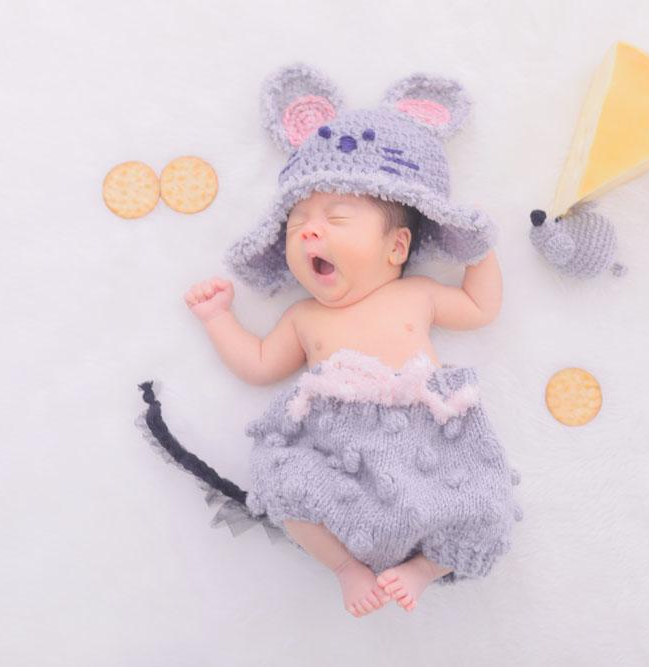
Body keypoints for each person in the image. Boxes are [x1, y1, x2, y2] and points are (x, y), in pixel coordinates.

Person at [157, 63, 523, 618]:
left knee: (483, 504)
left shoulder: (417, 295)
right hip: (333, 443)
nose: (309, 229)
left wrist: (481, 251)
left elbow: (480, 308)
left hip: (428, 437)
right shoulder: (304, 317)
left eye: (337, 217)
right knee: (280, 481)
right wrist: (218, 318)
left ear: (396, 247)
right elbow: (259, 365)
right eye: (297, 223)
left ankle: (425, 568)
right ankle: (347, 568)